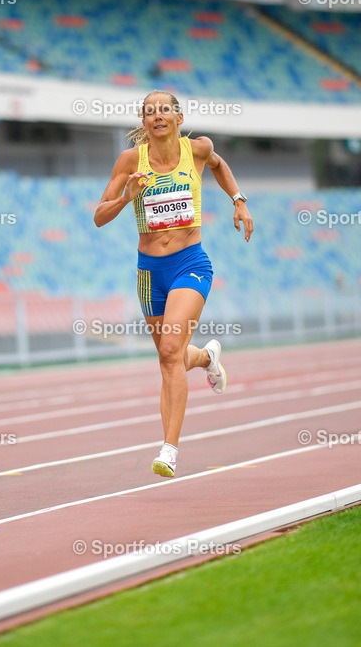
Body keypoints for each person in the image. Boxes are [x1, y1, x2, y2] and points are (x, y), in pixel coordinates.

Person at [94, 90, 253, 477]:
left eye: (165, 109)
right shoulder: (131, 161)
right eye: (150, 112)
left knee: (167, 350)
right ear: (144, 122)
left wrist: (238, 199)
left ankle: (169, 449)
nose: (158, 116)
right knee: (174, 358)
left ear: (178, 118)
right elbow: (99, 215)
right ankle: (206, 358)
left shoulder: (197, 150)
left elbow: (219, 165)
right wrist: (127, 195)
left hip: (190, 264)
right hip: (150, 273)